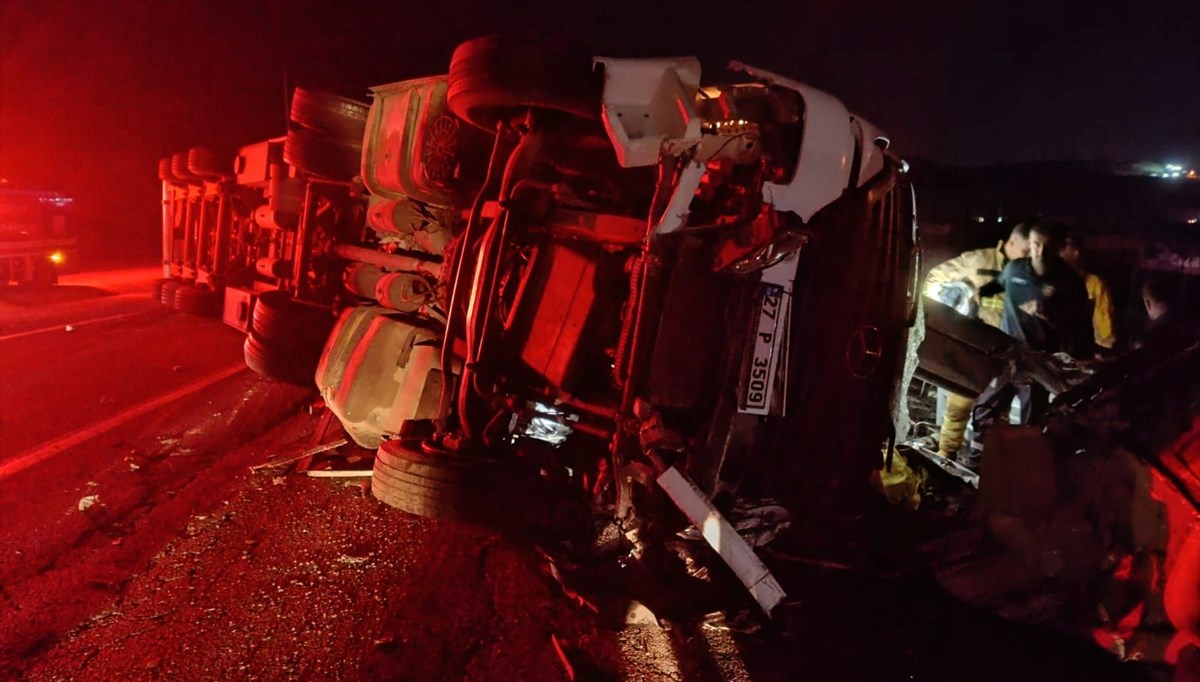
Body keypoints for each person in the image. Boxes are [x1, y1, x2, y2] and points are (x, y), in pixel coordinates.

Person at [922, 222, 1031, 459]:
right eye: (1025, 252)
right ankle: (946, 453)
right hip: (978, 348)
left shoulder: (1026, 273)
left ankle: (984, 460)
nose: (1028, 257)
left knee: (995, 411)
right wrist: (943, 306)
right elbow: (936, 277)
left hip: (1007, 350)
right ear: (1012, 242)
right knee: (959, 404)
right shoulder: (979, 260)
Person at [991, 221, 1094, 423]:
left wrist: (1047, 314)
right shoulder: (1014, 269)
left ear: (1058, 247)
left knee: (1031, 418)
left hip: (1041, 362)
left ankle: (1026, 453)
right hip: (1006, 355)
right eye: (1036, 244)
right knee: (985, 406)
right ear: (1030, 242)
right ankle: (975, 453)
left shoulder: (1070, 282)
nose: (1040, 251)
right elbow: (992, 291)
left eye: (1048, 246)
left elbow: (1078, 325)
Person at [1058, 232, 1116, 354]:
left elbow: (1105, 328)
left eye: (1063, 248)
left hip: (1085, 352)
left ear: (1076, 252)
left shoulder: (1095, 284)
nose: (1060, 254)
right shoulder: (1051, 283)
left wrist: (1101, 352)